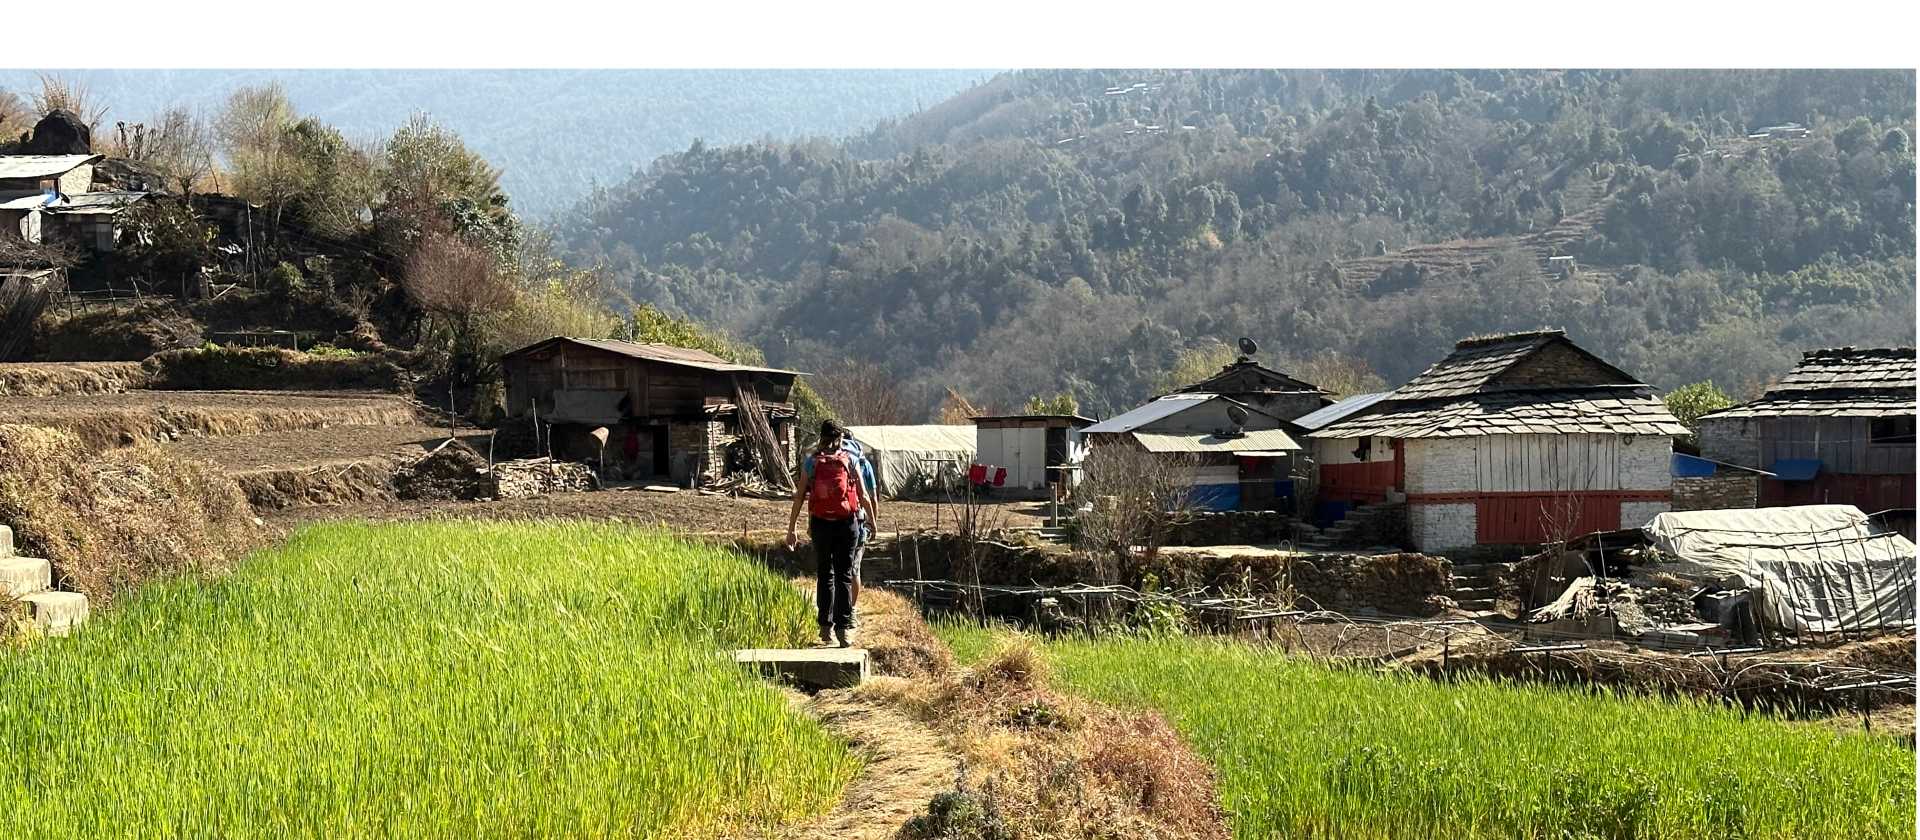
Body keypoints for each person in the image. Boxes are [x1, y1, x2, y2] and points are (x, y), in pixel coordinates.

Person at [786, 420, 879, 648]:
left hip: (820, 524)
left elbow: (799, 496)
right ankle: (843, 630)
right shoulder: (850, 459)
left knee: (824, 573)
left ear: (821, 436)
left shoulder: (811, 462)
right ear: (840, 439)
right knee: (844, 575)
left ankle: (824, 628)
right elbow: (864, 496)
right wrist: (873, 523)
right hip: (847, 524)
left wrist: (792, 528)